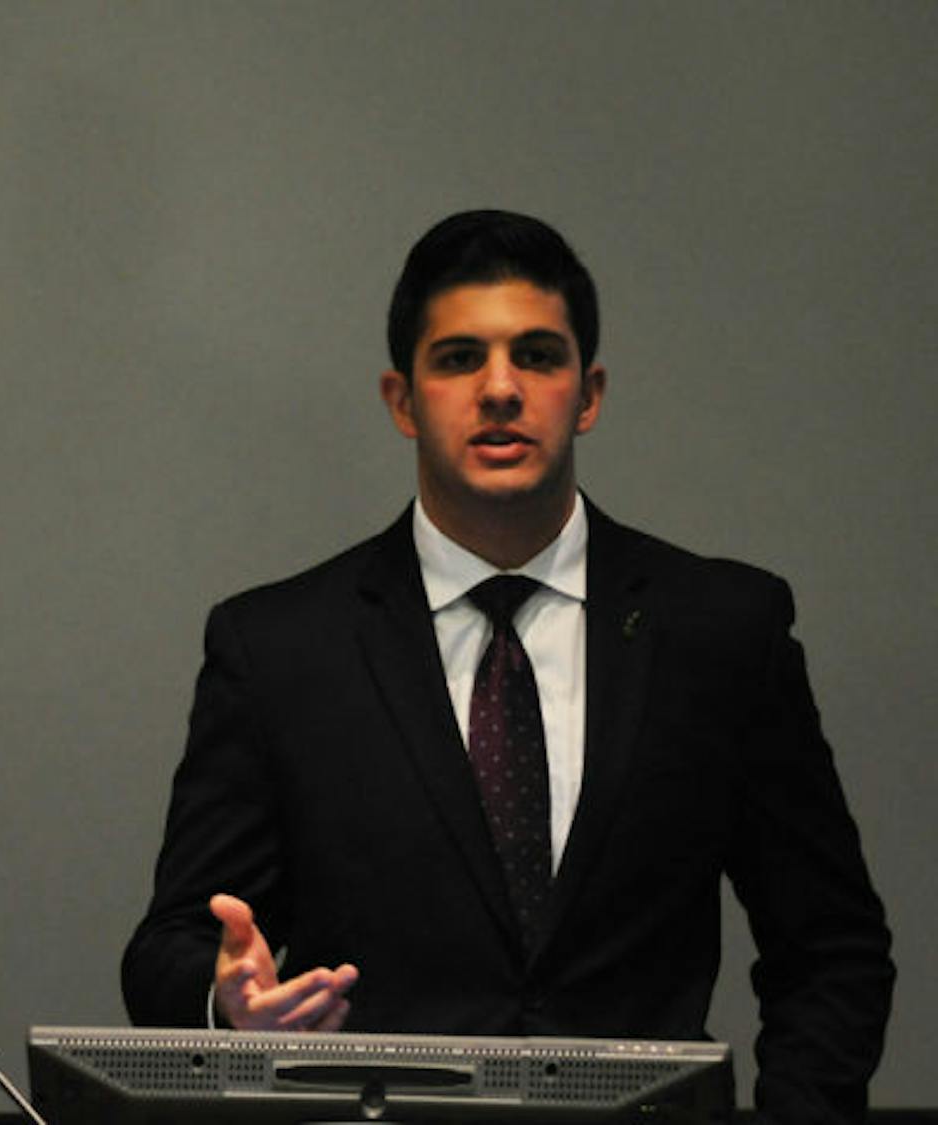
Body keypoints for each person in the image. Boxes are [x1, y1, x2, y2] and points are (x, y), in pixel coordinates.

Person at [121, 210, 894, 1123]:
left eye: (537, 355)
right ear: (402, 399)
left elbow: (830, 946)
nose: (499, 389)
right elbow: (171, 944)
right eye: (457, 359)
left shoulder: (721, 630)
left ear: (589, 392)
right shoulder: (282, 648)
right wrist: (227, 1005)